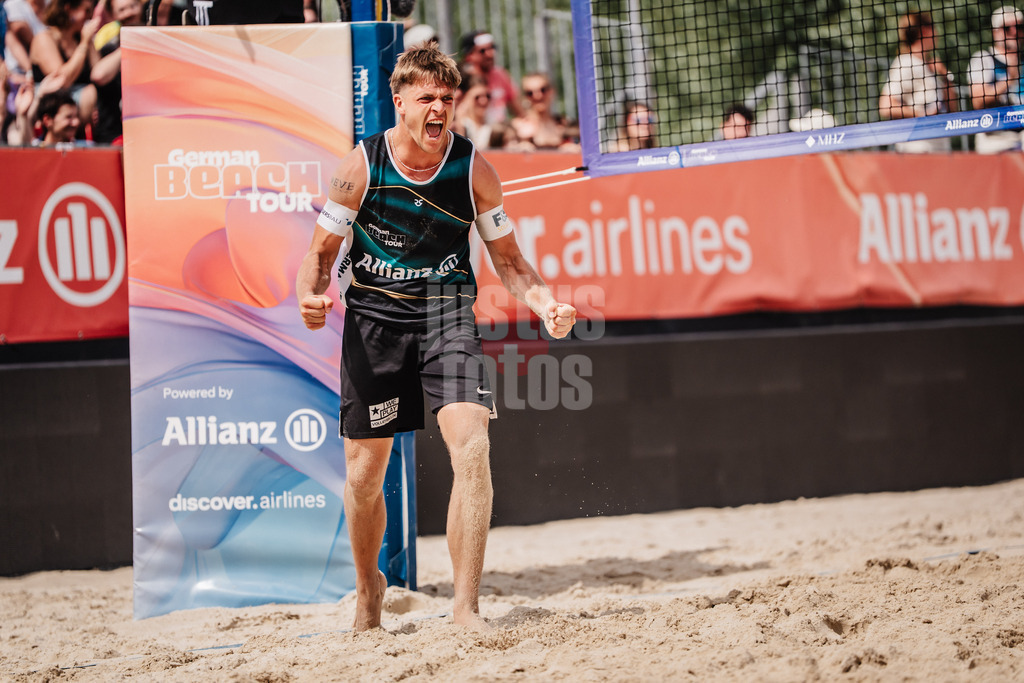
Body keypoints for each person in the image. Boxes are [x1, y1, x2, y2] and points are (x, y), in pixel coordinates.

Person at [295, 44, 577, 631]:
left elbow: (512, 262)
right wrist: (311, 297)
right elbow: (319, 258)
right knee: (363, 476)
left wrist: (546, 302)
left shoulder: (474, 169)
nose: (438, 109)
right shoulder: (360, 167)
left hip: (448, 313)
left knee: (472, 447)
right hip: (374, 322)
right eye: (426, 98)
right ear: (399, 102)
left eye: (447, 99)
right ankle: (369, 587)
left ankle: (466, 608)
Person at [878, 11, 958, 153]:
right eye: (933, 26)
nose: (937, 31)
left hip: (940, 147)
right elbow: (886, 106)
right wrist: (922, 113)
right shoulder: (906, 62)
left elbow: (953, 109)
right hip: (917, 148)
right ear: (924, 30)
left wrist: (945, 76)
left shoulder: (933, 65)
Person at [30, 0, 101, 137]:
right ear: (69, 10)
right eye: (86, 11)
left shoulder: (80, 38)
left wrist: (88, 42)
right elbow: (63, 80)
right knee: (89, 93)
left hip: (76, 100)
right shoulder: (44, 38)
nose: (89, 17)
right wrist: (84, 44)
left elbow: (98, 72)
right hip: (50, 99)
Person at [968, 5, 1023, 153]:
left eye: (1019, 26)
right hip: (995, 138)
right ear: (995, 32)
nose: (1015, 32)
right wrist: (1010, 79)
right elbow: (978, 100)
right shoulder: (983, 58)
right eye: (1007, 28)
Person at [89, 0, 141, 144]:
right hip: (114, 137)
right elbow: (98, 75)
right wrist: (128, 42)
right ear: (112, 15)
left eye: (133, 6)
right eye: (122, 10)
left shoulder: (157, 42)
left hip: (149, 131)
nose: (129, 13)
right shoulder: (108, 49)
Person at [458, 30, 522, 123]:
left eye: (492, 48)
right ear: (469, 55)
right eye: (482, 51)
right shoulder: (462, 79)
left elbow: (519, 110)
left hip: (498, 132)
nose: (490, 54)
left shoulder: (501, 74)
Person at [510, 71, 579, 151]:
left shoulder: (566, 125)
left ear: (552, 91)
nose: (537, 96)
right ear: (525, 96)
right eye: (530, 93)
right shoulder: (515, 128)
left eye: (543, 90)